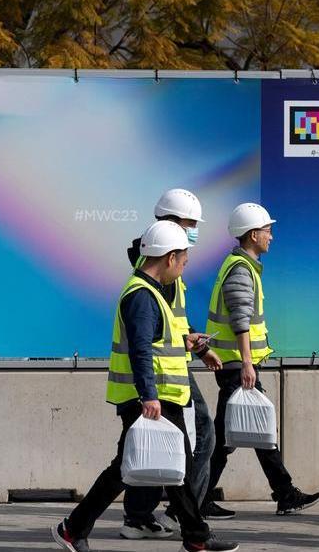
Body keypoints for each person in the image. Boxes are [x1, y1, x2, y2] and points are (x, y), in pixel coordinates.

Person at [53, 221, 238, 552]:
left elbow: (156, 340)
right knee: (138, 469)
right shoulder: (142, 296)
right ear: (169, 258)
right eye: (182, 261)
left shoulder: (148, 292)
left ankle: (193, 536)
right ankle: (195, 536)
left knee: (150, 468)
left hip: (158, 396)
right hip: (151, 398)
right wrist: (149, 396)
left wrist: (188, 341)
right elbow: (140, 349)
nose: (183, 269)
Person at [200, 203, 319, 519]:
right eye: (268, 231)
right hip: (237, 366)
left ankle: (284, 493)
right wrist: (248, 363)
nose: (271, 236)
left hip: (237, 364)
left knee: (249, 431)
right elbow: (240, 319)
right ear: (253, 234)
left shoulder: (242, 266)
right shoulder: (240, 270)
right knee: (231, 436)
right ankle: (192, 500)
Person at [120, 189, 223, 540]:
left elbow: (173, 320)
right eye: (190, 223)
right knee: (185, 443)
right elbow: (145, 336)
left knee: (168, 447)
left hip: (174, 364)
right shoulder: (155, 265)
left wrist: (197, 346)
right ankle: (178, 518)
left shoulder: (169, 263)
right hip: (160, 375)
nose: (194, 230)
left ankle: (167, 516)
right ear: (169, 224)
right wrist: (148, 390)